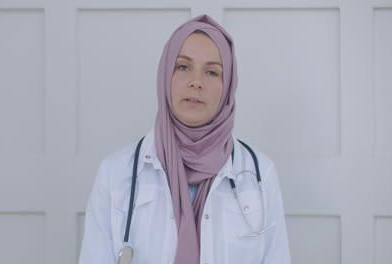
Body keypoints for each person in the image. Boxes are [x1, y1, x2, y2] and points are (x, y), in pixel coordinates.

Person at [78, 14, 291, 264]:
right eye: (183, 66)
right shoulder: (115, 172)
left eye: (212, 72)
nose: (196, 82)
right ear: (165, 74)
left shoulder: (260, 172)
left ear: (228, 86)